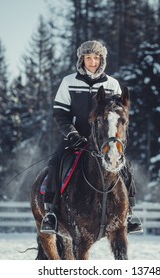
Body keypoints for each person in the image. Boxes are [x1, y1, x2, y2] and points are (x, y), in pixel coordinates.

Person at [41, 40, 143, 234]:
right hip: (75, 137)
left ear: (102, 60)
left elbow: (119, 114)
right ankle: (51, 213)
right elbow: (60, 114)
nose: (92, 62)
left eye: (96, 58)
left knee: (126, 167)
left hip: (105, 141)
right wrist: (72, 134)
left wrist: (115, 138)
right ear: (82, 59)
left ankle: (129, 214)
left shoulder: (112, 84)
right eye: (89, 57)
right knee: (55, 163)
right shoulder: (68, 82)